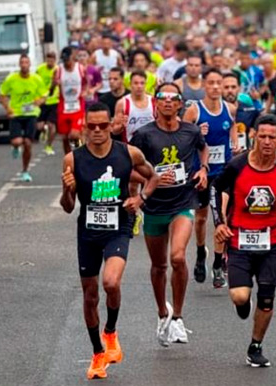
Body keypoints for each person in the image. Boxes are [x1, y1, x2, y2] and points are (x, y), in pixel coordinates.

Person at [59, 102, 158, 379]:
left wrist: (140, 199)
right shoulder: (73, 160)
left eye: (104, 125)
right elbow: (68, 206)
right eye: (93, 126)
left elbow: (154, 177)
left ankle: (111, 331)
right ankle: (97, 353)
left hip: (118, 227)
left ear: (112, 125)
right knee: (90, 296)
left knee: (111, 282)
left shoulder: (128, 153)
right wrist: (68, 190)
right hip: (88, 233)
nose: (99, 131)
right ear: (85, 127)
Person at [211, 114, 276, 367]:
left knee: (266, 298)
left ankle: (255, 345)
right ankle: (242, 301)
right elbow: (215, 189)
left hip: (271, 241)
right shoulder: (237, 166)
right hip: (239, 239)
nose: (266, 142)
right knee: (241, 297)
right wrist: (219, 222)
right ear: (253, 137)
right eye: (261, 136)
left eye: (272, 137)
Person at [129, 82, 210, 347]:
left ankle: (177, 316)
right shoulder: (143, 135)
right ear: (156, 104)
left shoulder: (191, 131)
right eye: (161, 97)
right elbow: (126, 165)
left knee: (177, 257)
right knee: (159, 266)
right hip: (154, 207)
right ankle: (162, 314)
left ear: (179, 104)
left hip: (182, 203)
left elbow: (203, 147)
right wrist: (150, 179)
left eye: (172, 98)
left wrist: (203, 169)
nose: (166, 102)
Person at [183, 68, 238, 286]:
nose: (216, 87)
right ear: (205, 85)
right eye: (212, 83)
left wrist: (235, 144)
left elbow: (232, 129)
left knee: (221, 217)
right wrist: (197, 131)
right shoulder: (194, 111)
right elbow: (183, 139)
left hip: (223, 173)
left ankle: (217, 264)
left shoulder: (230, 109)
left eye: (220, 84)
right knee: (202, 218)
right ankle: (200, 253)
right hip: (201, 173)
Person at [0, 54, 47, 182]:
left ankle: (25, 171)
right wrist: (7, 108)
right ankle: (15, 147)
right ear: (19, 65)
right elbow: (2, 95)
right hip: (16, 114)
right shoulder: (12, 79)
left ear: (30, 64)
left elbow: (44, 95)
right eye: (22, 62)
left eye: (27, 62)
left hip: (31, 114)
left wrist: (39, 102)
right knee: (17, 141)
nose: (24, 65)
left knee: (27, 143)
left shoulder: (36, 79)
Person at [52, 46, 88, 154]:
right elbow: (51, 88)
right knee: (65, 138)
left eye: (69, 60)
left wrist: (86, 91)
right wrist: (54, 84)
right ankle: (69, 158)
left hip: (77, 106)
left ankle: (80, 155)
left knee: (74, 134)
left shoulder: (81, 68)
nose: (68, 63)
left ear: (73, 57)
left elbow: (86, 82)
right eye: (65, 61)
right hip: (64, 107)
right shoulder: (58, 70)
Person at [222, 72, 260, 153]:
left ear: (239, 88)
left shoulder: (250, 109)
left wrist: (253, 132)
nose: (230, 90)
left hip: (242, 156)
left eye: (233, 87)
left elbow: (257, 130)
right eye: (226, 87)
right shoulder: (214, 110)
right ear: (220, 88)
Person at [112, 70, 154, 142]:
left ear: (145, 84)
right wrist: (121, 126)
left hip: (151, 145)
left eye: (142, 83)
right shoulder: (122, 103)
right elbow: (114, 131)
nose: (139, 86)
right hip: (130, 146)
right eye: (136, 83)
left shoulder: (154, 102)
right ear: (130, 85)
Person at [35, 52, 59, 156]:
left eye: (52, 60)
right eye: (48, 60)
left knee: (52, 126)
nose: (50, 62)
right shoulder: (40, 69)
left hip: (54, 101)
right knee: (39, 126)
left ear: (55, 60)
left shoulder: (58, 70)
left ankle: (49, 146)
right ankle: (43, 131)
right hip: (42, 101)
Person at [98, 67, 130, 140]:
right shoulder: (103, 99)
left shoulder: (130, 97)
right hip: (111, 137)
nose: (111, 81)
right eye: (109, 79)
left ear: (122, 80)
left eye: (115, 79)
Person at [92, 34, 124, 99]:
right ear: (101, 44)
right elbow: (90, 70)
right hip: (100, 87)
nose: (106, 46)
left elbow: (122, 68)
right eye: (104, 43)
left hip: (113, 86)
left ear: (111, 44)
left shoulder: (116, 54)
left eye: (108, 43)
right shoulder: (95, 55)